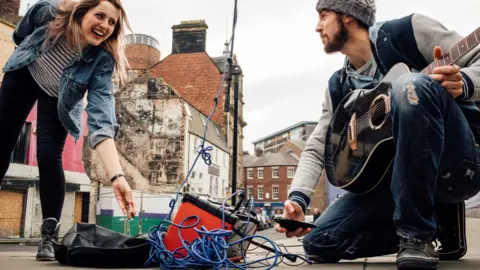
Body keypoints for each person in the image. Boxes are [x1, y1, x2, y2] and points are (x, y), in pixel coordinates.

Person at [275, 0, 480, 269]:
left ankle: (416, 236)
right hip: (395, 182)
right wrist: (297, 198)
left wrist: (464, 81)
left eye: (323, 16)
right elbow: (318, 146)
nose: (317, 27)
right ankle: (439, 226)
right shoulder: (338, 88)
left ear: (348, 16)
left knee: (410, 85)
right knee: (319, 242)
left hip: (458, 162)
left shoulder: (410, 31)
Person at [0, 0, 137, 261]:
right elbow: (20, 33)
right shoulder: (49, 13)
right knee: (1, 144)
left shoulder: (102, 60)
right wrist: (26, 47)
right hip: (26, 73)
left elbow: (101, 117)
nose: (105, 26)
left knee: (49, 157)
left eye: (112, 23)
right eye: (100, 16)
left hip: (59, 98)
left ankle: (48, 237)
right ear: (82, 11)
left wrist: (117, 176)